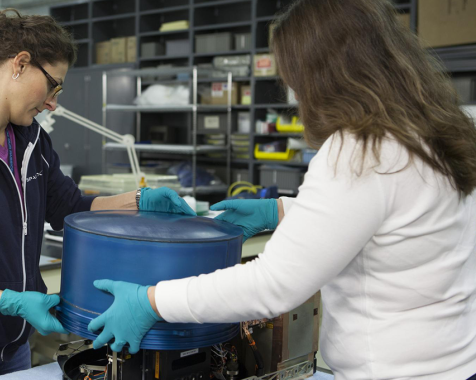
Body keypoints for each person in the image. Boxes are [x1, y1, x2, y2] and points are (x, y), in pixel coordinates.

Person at [88, 0, 476, 379]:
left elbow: (274, 285)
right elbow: (396, 216)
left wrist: (152, 300)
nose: (292, 89)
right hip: (456, 361)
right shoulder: (439, 129)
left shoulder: (360, 150)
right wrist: (283, 211)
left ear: (322, 72)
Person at [0, 9, 194, 380]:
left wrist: (139, 200)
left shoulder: (31, 138)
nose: (53, 102)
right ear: (19, 64)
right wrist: (10, 301)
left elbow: (68, 207)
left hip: (16, 344)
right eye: (53, 85)